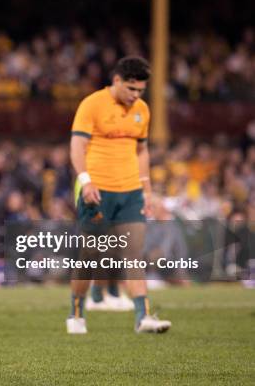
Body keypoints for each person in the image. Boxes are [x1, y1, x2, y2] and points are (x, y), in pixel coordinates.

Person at [68, 56, 171, 334]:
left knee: (133, 254)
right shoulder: (92, 104)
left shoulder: (142, 110)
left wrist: (147, 191)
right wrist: (85, 181)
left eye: (140, 90)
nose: (136, 95)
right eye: (131, 89)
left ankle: (143, 317)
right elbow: (77, 146)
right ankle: (76, 312)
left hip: (131, 192)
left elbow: (142, 151)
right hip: (98, 191)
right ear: (116, 81)